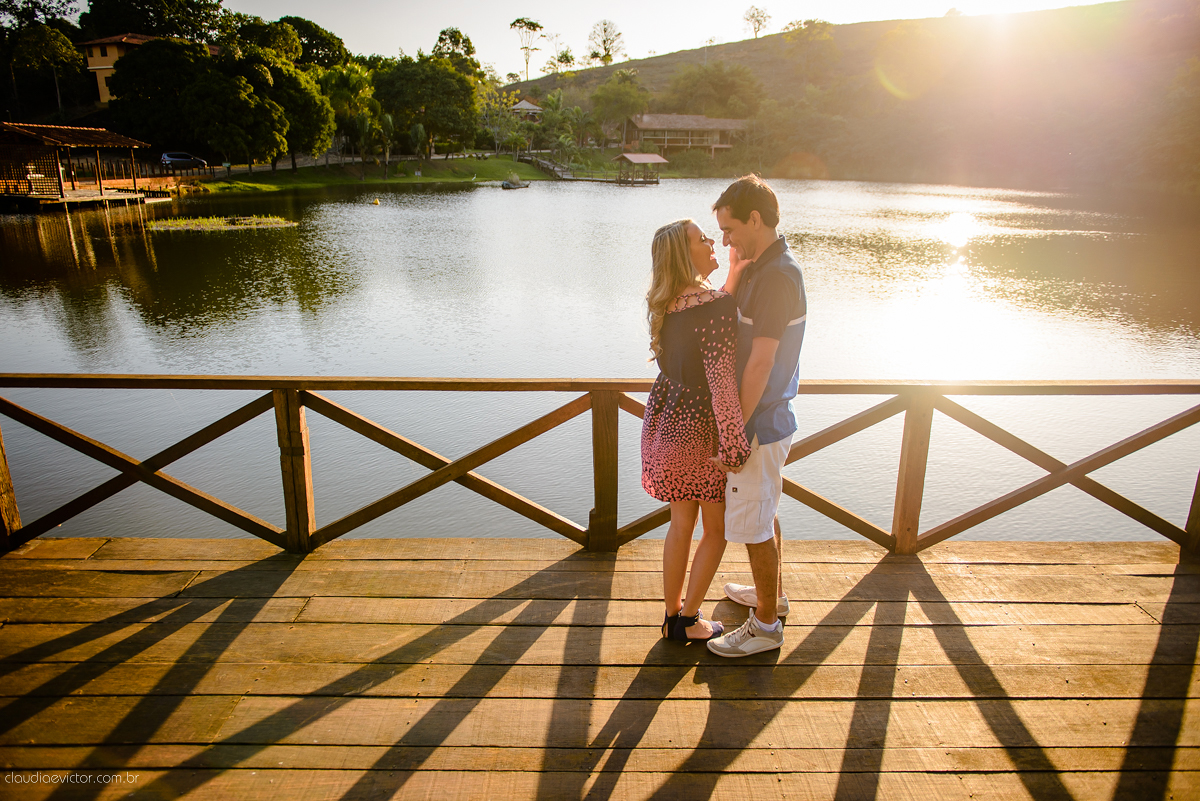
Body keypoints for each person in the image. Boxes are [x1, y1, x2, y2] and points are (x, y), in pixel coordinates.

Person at [706, 175, 807, 658]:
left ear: (755, 219)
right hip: (766, 421)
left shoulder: (775, 278)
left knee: (753, 526)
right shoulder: (764, 268)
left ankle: (766, 627)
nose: (726, 239)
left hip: (759, 424)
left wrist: (733, 431)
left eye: (730, 229)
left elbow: (761, 363)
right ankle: (774, 597)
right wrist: (734, 268)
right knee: (764, 514)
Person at [641, 218, 751, 643]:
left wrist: (733, 276)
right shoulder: (717, 307)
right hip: (700, 433)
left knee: (679, 524)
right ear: (683, 255)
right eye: (702, 239)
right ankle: (689, 621)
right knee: (716, 530)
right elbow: (723, 385)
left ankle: (672, 618)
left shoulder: (668, 303)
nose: (712, 242)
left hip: (665, 426)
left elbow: (705, 307)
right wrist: (735, 447)